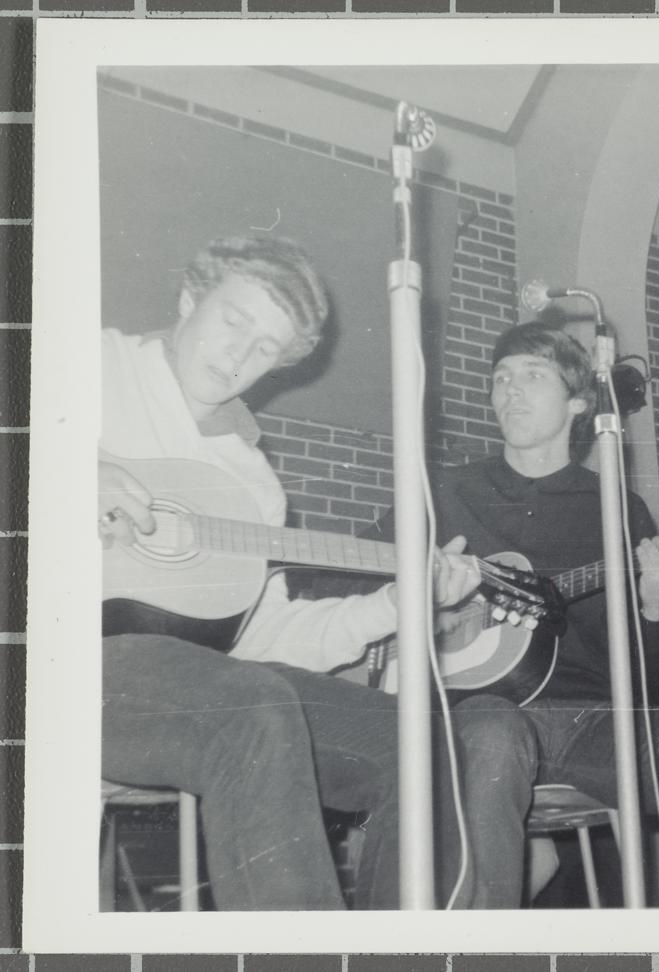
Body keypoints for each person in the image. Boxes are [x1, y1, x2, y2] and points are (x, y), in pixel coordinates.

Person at [99, 235, 480, 910]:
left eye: (266, 347)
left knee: (425, 744)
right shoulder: (89, 364)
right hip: (57, 661)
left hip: (178, 688)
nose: (240, 355)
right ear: (190, 299)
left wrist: (395, 604)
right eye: (234, 321)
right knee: (255, 704)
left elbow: (257, 637)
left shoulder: (254, 486)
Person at [366, 321, 659, 908]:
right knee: (492, 729)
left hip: (595, 724)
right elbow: (338, 579)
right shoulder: (443, 494)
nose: (511, 390)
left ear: (580, 402)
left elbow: (649, 685)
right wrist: (421, 608)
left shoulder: (616, 509)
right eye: (501, 378)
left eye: (533, 376)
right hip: (479, 713)